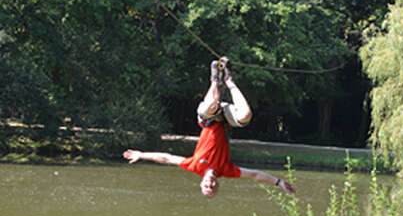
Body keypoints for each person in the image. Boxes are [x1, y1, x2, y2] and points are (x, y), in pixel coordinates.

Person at [123, 58, 296, 198]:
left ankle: (215, 79)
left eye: (207, 186)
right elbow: (255, 175)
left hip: (206, 118)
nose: (210, 183)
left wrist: (141, 155)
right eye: (213, 186)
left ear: (201, 183)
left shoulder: (193, 166)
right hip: (224, 119)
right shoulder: (227, 170)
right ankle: (228, 80)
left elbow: (166, 158)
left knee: (212, 104)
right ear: (217, 184)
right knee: (245, 116)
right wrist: (279, 183)